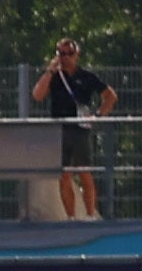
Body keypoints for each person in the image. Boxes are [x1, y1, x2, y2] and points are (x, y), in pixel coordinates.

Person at [27, 39, 117, 221]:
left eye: (69, 54)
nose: (65, 58)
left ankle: (90, 215)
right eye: (61, 53)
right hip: (59, 130)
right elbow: (37, 95)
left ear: (76, 55)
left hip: (80, 130)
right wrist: (50, 71)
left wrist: (97, 116)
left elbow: (110, 96)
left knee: (85, 172)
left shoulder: (86, 76)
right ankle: (71, 217)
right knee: (65, 175)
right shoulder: (54, 77)